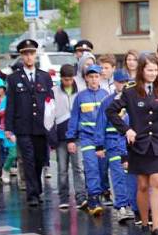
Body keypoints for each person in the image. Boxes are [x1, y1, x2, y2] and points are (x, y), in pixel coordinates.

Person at [107, 54, 158, 235]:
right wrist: (126, 130)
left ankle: (157, 226)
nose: (153, 73)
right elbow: (111, 111)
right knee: (142, 185)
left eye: (155, 70)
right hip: (138, 144)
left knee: (157, 182)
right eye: (149, 70)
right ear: (141, 70)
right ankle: (145, 222)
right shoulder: (131, 90)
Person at [5, 39, 54, 207]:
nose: (29, 57)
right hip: (23, 126)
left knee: (40, 159)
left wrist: (51, 125)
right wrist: (8, 127)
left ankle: (37, 188)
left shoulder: (45, 77)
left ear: (35, 55)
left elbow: (50, 103)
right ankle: (32, 194)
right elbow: (10, 103)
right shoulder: (13, 78)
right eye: (25, 54)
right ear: (21, 56)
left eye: (31, 53)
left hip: (41, 126)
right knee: (28, 159)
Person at [66, 65, 110, 216]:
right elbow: (74, 118)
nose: (93, 79)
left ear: (100, 77)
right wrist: (70, 138)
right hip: (87, 138)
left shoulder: (106, 95)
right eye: (90, 77)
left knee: (102, 168)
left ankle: (103, 190)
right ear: (86, 78)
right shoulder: (80, 97)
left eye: (96, 76)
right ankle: (94, 199)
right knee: (91, 167)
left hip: (103, 139)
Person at [94, 69, 136, 223]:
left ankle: (133, 204)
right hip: (112, 143)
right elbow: (100, 124)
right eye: (121, 82)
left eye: (126, 82)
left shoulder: (133, 100)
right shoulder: (107, 102)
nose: (124, 85)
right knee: (118, 174)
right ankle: (122, 206)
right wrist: (99, 145)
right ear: (114, 83)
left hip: (130, 143)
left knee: (131, 175)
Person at [52, 64, 87, 209]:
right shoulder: (54, 91)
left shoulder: (80, 91)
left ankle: (80, 197)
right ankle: (63, 197)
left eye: (70, 79)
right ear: (61, 78)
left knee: (78, 167)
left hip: (77, 135)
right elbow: (50, 115)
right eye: (65, 80)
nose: (68, 82)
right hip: (60, 135)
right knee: (62, 168)